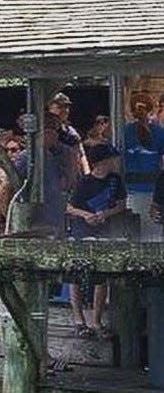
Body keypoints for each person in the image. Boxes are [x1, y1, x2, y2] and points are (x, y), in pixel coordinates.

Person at [66, 143, 126, 336]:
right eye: (113, 159)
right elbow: (69, 207)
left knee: (101, 277)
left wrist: (105, 214)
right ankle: (78, 319)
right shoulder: (85, 182)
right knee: (76, 274)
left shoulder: (115, 180)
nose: (116, 162)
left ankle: (96, 320)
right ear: (102, 162)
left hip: (104, 231)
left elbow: (121, 204)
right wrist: (86, 215)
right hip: (82, 231)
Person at [122, 100, 163, 234]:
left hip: (132, 189)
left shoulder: (124, 131)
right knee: (153, 235)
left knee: (134, 233)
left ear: (131, 112)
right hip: (152, 189)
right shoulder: (159, 132)